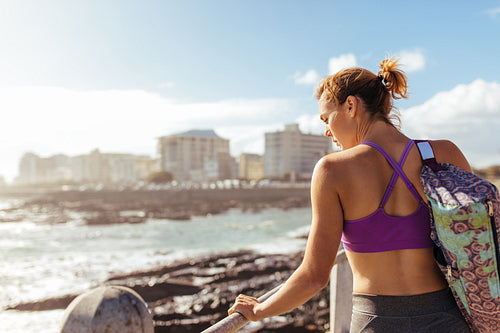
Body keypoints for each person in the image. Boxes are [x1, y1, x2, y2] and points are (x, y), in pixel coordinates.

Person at [228, 57, 472, 332]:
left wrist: (259, 310)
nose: (327, 130)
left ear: (351, 106)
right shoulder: (445, 154)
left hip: (376, 323)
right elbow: (480, 241)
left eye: (327, 118)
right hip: (450, 319)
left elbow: (314, 276)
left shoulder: (333, 169)